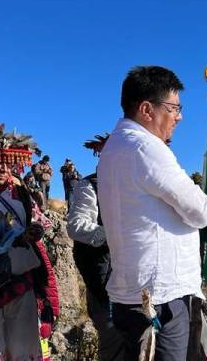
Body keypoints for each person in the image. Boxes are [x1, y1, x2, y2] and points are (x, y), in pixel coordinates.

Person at [97, 66, 207, 361]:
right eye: (174, 108)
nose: (179, 116)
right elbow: (202, 211)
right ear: (147, 109)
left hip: (132, 292)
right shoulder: (146, 148)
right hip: (161, 295)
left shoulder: (114, 147)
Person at [0, 124, 59, 361]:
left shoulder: (21, 191)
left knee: (24, 347)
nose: (2, 168)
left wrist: (34, 229)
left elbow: (40, 220)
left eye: (7, 162)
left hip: (21, 281)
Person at [67, 134, 124, 361]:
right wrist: (116, 235)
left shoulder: (140, 186)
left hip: (139, 284)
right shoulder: (90, 185)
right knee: (113, 344)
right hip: (105, 281)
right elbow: (77, 225)